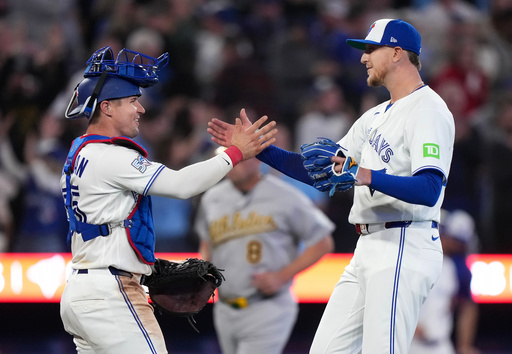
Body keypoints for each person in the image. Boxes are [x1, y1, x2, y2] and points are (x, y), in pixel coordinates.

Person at [207, 18, 455, 354]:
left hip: (404, 242)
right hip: (368, 245)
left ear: (398, 53)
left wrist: (363, 173)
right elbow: (320, 171)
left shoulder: (429, 110)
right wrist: (258, 151)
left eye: (371, 49)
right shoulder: (375, 115)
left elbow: (428, 190)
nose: (364, 58)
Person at [58, 46, 277, 354]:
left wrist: (145, 267)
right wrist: (236, 153)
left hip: (83, 291)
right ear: (107, 107)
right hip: (110, 293)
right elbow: (181, 184)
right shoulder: (109, 155)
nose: (141, 109)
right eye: (133, 101)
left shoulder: (78, 154)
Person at [194, 151, 335, 354]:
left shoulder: (285, 196)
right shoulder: (212, 198)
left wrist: (281, 276)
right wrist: (204, 270)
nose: (234, 164)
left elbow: (323, 242)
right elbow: (206, 241)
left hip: (268, 306)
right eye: (228, 158)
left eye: (240, 157)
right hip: (224, 306)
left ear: (258, 158)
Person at [410, 209, 480, 354]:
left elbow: (468, 306)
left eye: (459, 242)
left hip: (440, 344)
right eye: (453, 239)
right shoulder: (416, 257)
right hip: (410, 341)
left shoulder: (458, 268)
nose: (455, 245)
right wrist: (408, 325)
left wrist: (464, 345)